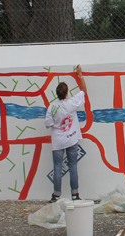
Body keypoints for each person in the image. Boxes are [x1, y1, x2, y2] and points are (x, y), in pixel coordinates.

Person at [45, 65, 87, 203]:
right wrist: (80, 74)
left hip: (58, 141)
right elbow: (84, 91)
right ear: (67, 92)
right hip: (72, 139)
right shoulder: (72, 103)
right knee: (73, 166)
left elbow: (48, 124)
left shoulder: (52, 107)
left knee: (57, 167)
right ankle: (75, 194)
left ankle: (56, 195)